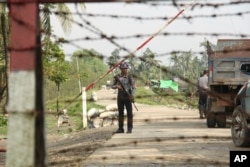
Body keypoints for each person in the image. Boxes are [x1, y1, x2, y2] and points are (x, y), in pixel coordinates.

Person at [111, 62, 136, 134]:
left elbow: (134, 87)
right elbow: (112, 86)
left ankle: (129, 128)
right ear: (120, 69)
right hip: (120, 97)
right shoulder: (117, 77)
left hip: (128, 96)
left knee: (129, 113)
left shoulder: (130, 77)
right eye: (123, 68)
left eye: (126, 68)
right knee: (120, 113)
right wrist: (116, 86)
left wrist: (132, 95)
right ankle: (120, 128)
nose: (125, 70)